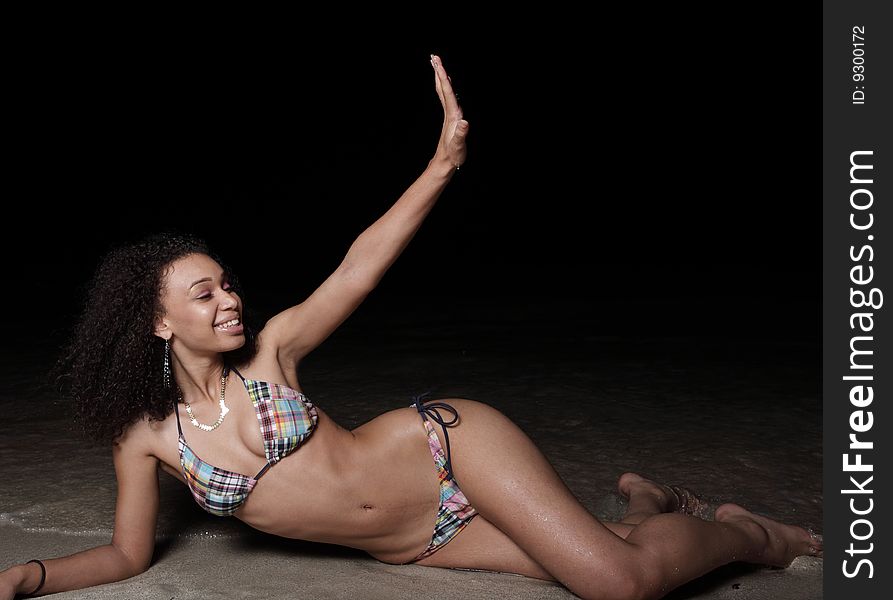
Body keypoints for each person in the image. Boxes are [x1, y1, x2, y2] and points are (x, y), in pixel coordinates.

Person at [0, 54, 820, 600]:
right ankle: (650, 496)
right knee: (606, 547)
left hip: (445, 449)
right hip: (415, 542)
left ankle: (753, 535)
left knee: (617, 581)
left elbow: (358, 266)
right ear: (154, 321)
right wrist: (30, 576)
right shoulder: (146, 439)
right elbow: (127, 556)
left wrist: (440, 167)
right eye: (204, 294)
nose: (229, 302)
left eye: (227, 284)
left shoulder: (273, 350)